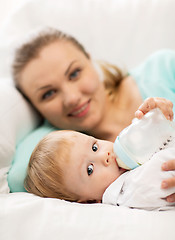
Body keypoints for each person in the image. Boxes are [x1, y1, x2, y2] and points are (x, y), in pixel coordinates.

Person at [12, 27, 175, 201]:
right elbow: (17, 179)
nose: (72, 98)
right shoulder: (68, 156)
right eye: (48, 94)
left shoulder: (163, 69)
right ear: (36, 110)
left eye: (74, 73)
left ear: (91, 61)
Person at [24, 108, 175, 210]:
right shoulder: (127, 191)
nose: (105, 156)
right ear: (89, 201)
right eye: (90, 169)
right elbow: (163, 173)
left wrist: (157, 116)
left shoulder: (132, 158)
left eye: (95, 147)